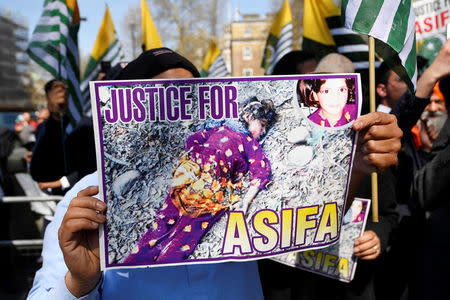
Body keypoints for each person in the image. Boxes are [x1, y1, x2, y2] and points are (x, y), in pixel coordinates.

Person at [28, 47, 403, 299]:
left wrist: (354, 162)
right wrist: (80, 281)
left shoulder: (242, 172)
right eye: (164, 100)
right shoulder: (87, 198)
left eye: (190, 97)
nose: (180, 113)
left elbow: (308, 223)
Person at [123, 97, 275, 265]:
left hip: (213, 186)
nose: (263, 131)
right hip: (191, 176)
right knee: (164, 221)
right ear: (247, 116)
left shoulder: (247, 142)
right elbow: (192, 140)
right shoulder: (222, 130)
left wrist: (245, 201)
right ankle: (132, 265)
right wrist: (192, 161)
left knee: (187, 232)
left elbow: (260, 172)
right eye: (262, 125)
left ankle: (161, 271)